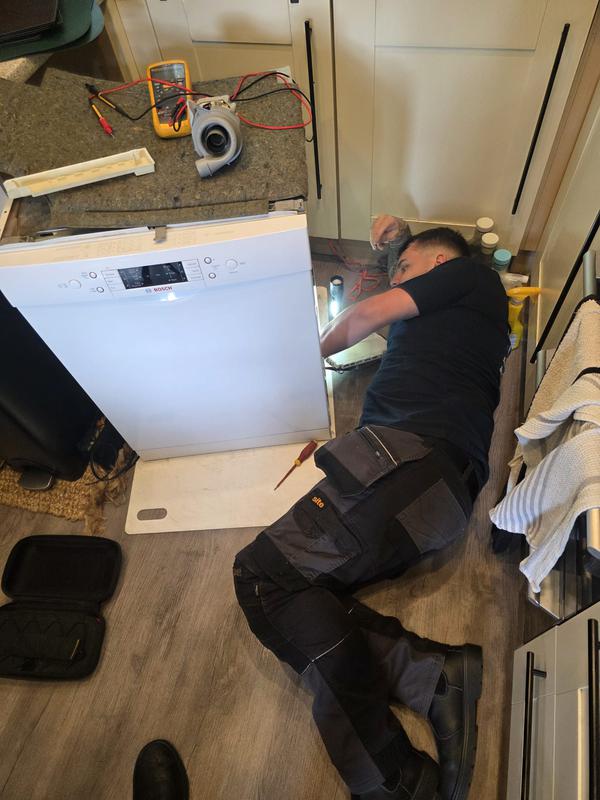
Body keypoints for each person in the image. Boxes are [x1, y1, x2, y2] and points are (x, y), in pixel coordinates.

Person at [233, 218, 509, 800]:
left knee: (266, 578)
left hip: (410, 461)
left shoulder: (472, 277)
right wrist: (396, 241)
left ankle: (394, 779)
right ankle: (434, 678)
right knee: (304, 594)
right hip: (429, 491)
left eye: (404, 269)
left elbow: (364, 316)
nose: (395, 278)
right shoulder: (456, 313)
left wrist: (293, 362)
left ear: (440, 263)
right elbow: (399, 273)